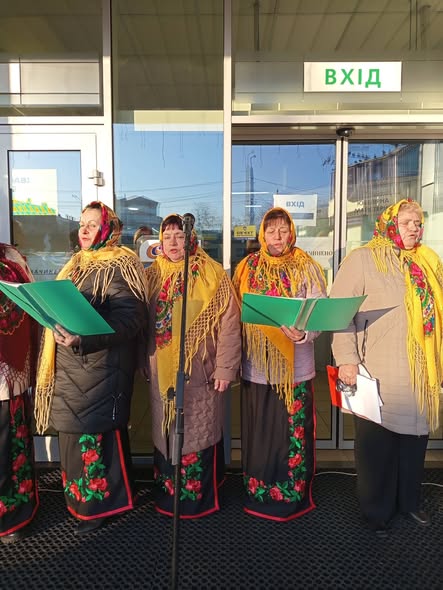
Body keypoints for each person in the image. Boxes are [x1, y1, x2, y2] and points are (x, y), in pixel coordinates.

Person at [330, 198, 443, 534]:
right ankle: (377, 510)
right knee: (377, 447)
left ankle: (409, 502)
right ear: (389, 223)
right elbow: (339, 313)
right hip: (377, 368)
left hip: (420, 372)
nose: (414, 228)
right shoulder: (364, 259)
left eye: (418, 223)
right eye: (407, 222)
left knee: (414, 443)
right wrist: (347, 359)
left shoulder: (427, 261)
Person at [35, 201, 148, 535]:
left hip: (101, 368)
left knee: (94, 438)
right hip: (71, 365)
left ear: (108, 229)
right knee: (73, 436)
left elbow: (130, 320)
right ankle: (84, 502)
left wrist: (83, 338)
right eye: (82, 223)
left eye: (92, 224)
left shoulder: (121, 265)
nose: (83, 229)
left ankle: (100, 507)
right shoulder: (76, 264)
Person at [233, 207, 327, 521]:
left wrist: (305, 332)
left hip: (295, 370)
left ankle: (292, 497)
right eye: (271, 230)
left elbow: (319, 311)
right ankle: (259, 494)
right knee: (261, 434)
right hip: (257, 368)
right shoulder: (247, 267)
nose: (277, 236)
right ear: (262, 234)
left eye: (283, 230)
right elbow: (235, 312)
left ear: (291, 233)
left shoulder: (306, 266)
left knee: (292, 434)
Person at [144, 213, 241, 518]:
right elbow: (143, 325)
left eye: (179, 235)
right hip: (161, 372)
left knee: (199, 431)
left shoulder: (213, 274)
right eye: (167, 236)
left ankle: (197, 499)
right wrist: (142, 361)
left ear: (191, 238)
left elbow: (229, 325)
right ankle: (169, 496)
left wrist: (225, 368)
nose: (173, 242)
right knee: (166, 429)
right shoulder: (151, 275)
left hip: (201, 372)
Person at [0, 244, 39, 544]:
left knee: (8, 445)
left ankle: (11, 514)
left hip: (9, 378)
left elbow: (33, 308)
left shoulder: (12, 260)